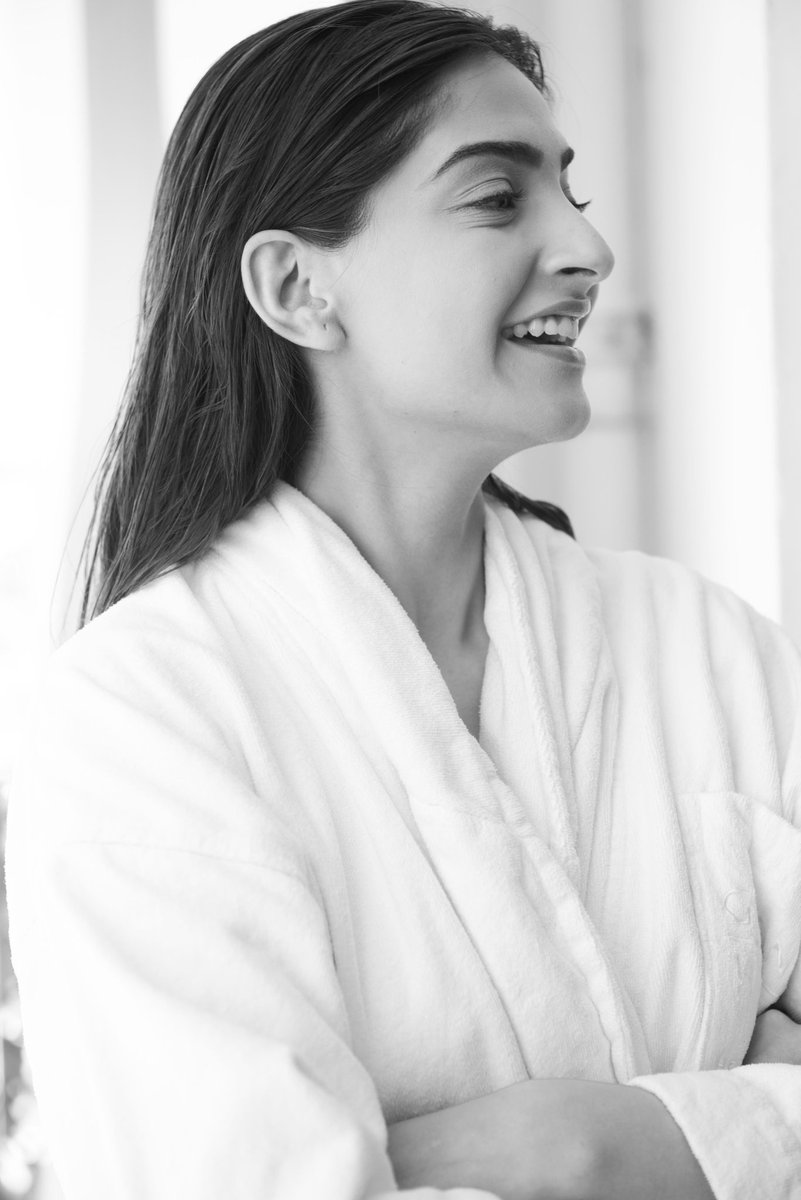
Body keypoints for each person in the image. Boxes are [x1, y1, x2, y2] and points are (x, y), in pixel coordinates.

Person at [5, 1, 801, 1197]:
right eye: (498, 198)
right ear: (296, 286)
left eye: (571, 191)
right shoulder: (141, 716)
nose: (590, 247)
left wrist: (588, 1151)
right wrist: (751, 1121)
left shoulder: (706, 646)